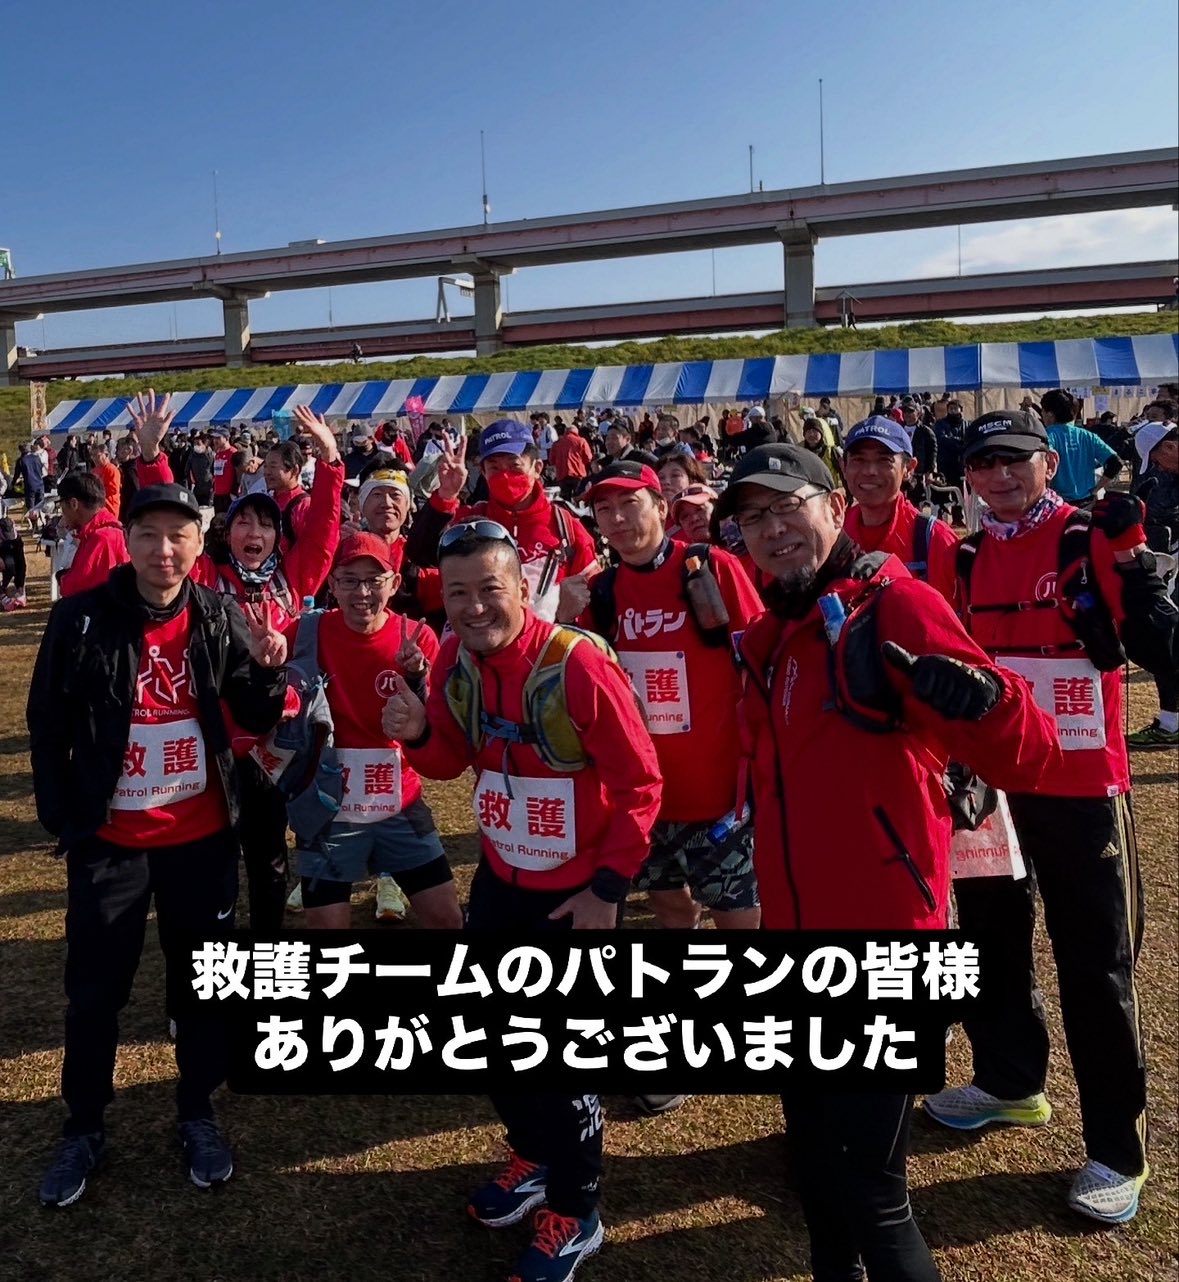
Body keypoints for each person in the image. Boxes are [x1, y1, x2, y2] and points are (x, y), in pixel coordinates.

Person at [724, 442, 1058, 1282]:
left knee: (873, 1188)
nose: (771, 530)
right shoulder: (765, 634)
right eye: (752, 518)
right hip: (791, 938)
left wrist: (986, 702)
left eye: (787, 506)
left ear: (834, 508)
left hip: (886, 941)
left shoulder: (895, 605)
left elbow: (1031, 757)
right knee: (813, 1164)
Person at [383, 518, 661, 1282]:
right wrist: (417, 732)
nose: (474, 607)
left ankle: (576, 1211)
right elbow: (450, 762)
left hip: (574, 897)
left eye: (490, 590)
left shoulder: (577, 665)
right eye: (458, 593)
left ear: (522, 587)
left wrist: (607, 890)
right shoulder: (454, 658)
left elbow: (641, 784)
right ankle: (533, 1156)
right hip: (502, 879)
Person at [924, 410, 1179, 1225]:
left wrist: (1137, 569)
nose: (998, 476)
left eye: (1014, 460)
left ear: (1046, 463)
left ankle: (1115, 1153)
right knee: (990, 940)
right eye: (982, 464)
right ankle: (1008, 1082)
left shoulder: (1086, 536)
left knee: (1095, 966)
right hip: (991, 787)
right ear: (967, 478)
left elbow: (1158, 649)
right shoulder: (966, 554)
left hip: (1080, 787)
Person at [28, 480, 290, 1207]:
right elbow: (47, 719)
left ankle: (197, 1111)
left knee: (202, 985)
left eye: (178, 536)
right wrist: (60, 814)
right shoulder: (81, 617)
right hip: (111, 840)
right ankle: (83, 1125)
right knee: (94, 991)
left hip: (200, 840)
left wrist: (269, 672)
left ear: (198, 545)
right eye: (148, 534)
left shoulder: (217, 613)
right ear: (128, 541)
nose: (163, 550)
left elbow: (252, 711)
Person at [138, 395, 344, 931]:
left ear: (277, 536)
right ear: (227, 533)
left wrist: (330, 461)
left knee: (270, 853)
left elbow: (324, 529)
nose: (255, 533)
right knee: (216, 850)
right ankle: (219, 944)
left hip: (277, 741)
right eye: (244, 523)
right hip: (215, 740)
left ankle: (268, 944)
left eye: (266, 525)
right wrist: (153, 457)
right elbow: (172, 539)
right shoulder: (206, 580)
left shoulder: (293, 579)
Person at [576, 459, 763, 932]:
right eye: (604, 509)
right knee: (671, 909)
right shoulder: (601, 592)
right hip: (644, 797)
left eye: (629, 503)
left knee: (739, 918)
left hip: (720, 796)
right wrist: (562, 618)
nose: (617, 518)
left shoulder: (712, 567)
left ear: (662, 508)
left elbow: (763, 659)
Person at [273, 533, 463, 931]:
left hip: (399, 801)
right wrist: (264, 668)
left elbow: (438, 726)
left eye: (374, 581)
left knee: (447, 917)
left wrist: (417, 676)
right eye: (350, 580)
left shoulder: (417, 638)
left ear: (394, 584)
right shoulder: (304, 632)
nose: (362, 593)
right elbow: (270, 700)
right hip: (326, 807)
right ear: (332, 584)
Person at [406, 420, 599, 625]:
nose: (505, 475)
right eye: (494, 467)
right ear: (483, 473)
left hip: (549, 641)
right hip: (480, 638)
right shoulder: (472, 522)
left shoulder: (566, 527)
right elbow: (420, 554)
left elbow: (594, 599)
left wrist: (566, 620)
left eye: (514, 466)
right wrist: (446, 495)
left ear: (537, 468)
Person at [841, 417, 959, 604]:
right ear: (844, 467)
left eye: (884, 460)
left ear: (908, 469)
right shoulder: (833, 534)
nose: (870, 470)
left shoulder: (935, 540)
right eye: (859, 460)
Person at [1126, 421, 1179, 747]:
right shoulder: (1159, 483)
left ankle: (1171, 723)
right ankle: (1170, 721)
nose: (1160, 466)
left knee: (1167, 642)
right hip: (1169, 574)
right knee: (1166, 642)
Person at [56, 471, 131, 598]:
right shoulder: (99, 531)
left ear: (74, 504)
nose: (62, 514)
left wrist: (62, 578)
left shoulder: (102, 538)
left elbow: (76, 589)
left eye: (61, 506)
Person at [1040, 390, 1121, 504]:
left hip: (1057, 504)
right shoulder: (1088, 436)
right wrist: (1097, 489)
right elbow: (1116, 463)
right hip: (1086, 502)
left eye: (1042, 411)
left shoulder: (1046, 436)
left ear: (1050, 414)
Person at [549, 420, 594, 500]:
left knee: (565, 500)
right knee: (579, 498)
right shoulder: (581, 441)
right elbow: (588, 458)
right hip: (578, 473)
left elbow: (551, 460)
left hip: (562, 474)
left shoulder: (557, 443)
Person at [801, 417, 841, 487]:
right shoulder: (799, 451)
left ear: (821, 433)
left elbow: (842, 472)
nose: (812, 434)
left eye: (815, 431)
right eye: (809, 431)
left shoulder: (830, 451)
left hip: (830, 489)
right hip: (808, 490)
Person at [0, 512, 27, 610]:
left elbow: (21, 562)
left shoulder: (17, 539)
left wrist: (20, 586)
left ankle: (19, 591)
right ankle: (2, 595)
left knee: (16, 564)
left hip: (7, 555)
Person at [210, 427, 237, 514]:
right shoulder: (217, 454)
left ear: (226, 438)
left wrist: (233, 492)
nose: (215, 441)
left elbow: (237, 475)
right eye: (214, 438)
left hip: (229, 495)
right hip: (218, 494)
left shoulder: (233, 453)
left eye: (218, 438)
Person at [16, 442, 45, 511]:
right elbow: (41, 470)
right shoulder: (37, 458)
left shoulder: (21, 460)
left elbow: (16, 475)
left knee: (31, 509)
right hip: (40, 484)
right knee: (40, 508)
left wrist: (13, 483)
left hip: (30, 486)